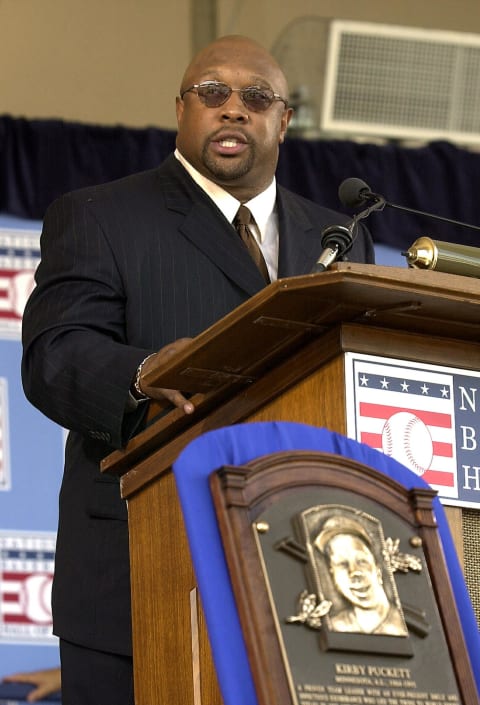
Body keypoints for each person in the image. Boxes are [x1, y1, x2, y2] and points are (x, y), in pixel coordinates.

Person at [21, 34, 375, 705]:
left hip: (306, 578)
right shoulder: (102, 215)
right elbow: (55, 355)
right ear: (181, 108)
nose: (234, 109)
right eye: (214, 92)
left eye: (256, 97)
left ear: (284, 120)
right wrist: (142, 371)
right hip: (142, 574)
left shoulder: (340, 236)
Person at [314, 516, 407, 635]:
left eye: (361, 561)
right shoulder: (335, 626)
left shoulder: (404, 624)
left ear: (378, 568)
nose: (354, 572)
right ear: (332, 575)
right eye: (342, 564)